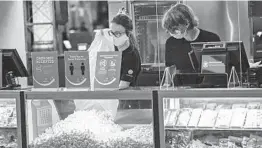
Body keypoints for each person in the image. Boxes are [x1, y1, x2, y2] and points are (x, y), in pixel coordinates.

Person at [162, 3, 221, 86]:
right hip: (180, 93)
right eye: (169, 30)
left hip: (207, 92)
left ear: (186, 23)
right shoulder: (171, 43)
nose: (171, 33)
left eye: (175, 29)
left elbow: (216, 74)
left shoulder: (211, 39)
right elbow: (169, 73)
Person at [109, 9, 141, 90]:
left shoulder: (131, 54)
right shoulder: (114, 51)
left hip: (128, 99)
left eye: (118, 33)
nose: (114, 37)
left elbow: (124, 85)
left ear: (128, 33)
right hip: (114, 99)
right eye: (112, 33)